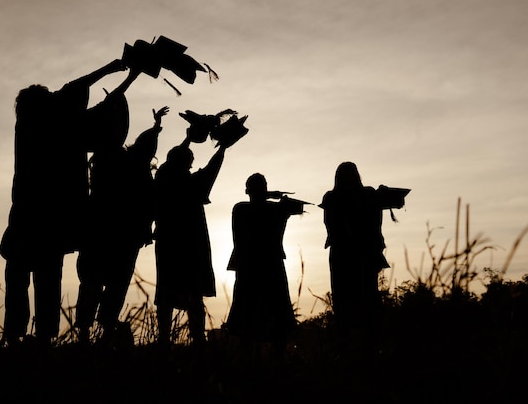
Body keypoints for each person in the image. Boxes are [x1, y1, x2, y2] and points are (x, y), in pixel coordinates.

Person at [0, 59, 138, 347]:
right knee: (43, 278)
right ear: (40, 103)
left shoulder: (34, 125)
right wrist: (111, 70)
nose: (55, 97)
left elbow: (91, 101)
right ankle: (40, 336)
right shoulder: (48, 125)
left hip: (29, 216)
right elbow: (80, 96)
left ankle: (19, 336)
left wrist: (125, 76)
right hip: (48, 219)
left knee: (22, 278)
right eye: (48, 96)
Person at [75, 106, 169, 344]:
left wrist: (156, 129)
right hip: (120, 232)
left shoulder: (104, 159)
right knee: (108, 283)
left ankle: (90, 332)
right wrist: (155, 129)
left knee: (96, 283)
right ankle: (99, 331)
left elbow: (143, 149)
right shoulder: (119, 160)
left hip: (106, 231)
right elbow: (143, 150)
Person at [152, 127, 234, 350]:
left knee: (167, 293)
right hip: (191, 244)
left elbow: (173, 161)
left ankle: (163, 340)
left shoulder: (162, 180)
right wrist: (223, 147)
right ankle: (197, 339)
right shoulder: (190, 184)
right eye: (189, 162)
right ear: (186, 164)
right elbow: (211, 169)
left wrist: (188, 138)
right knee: (193, 294)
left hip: (168, 242)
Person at [319, 161, 408, 356]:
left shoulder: (339, 197)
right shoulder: (354, 196)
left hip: (354, 256)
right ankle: (359, 347)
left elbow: (389, 201)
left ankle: (360, 347)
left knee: (359, 300)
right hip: (353, 256)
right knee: (352, 301)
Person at [225, 173, 306, 364]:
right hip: (267, 267)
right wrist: (273, 195)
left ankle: (255, 361)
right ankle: (272, 360)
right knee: (272, 313)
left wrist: (268, 195)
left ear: (247, 191)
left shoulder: (241, 208)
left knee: (252, 314)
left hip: (250, 268)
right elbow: (298, 207)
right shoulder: (272, 209)